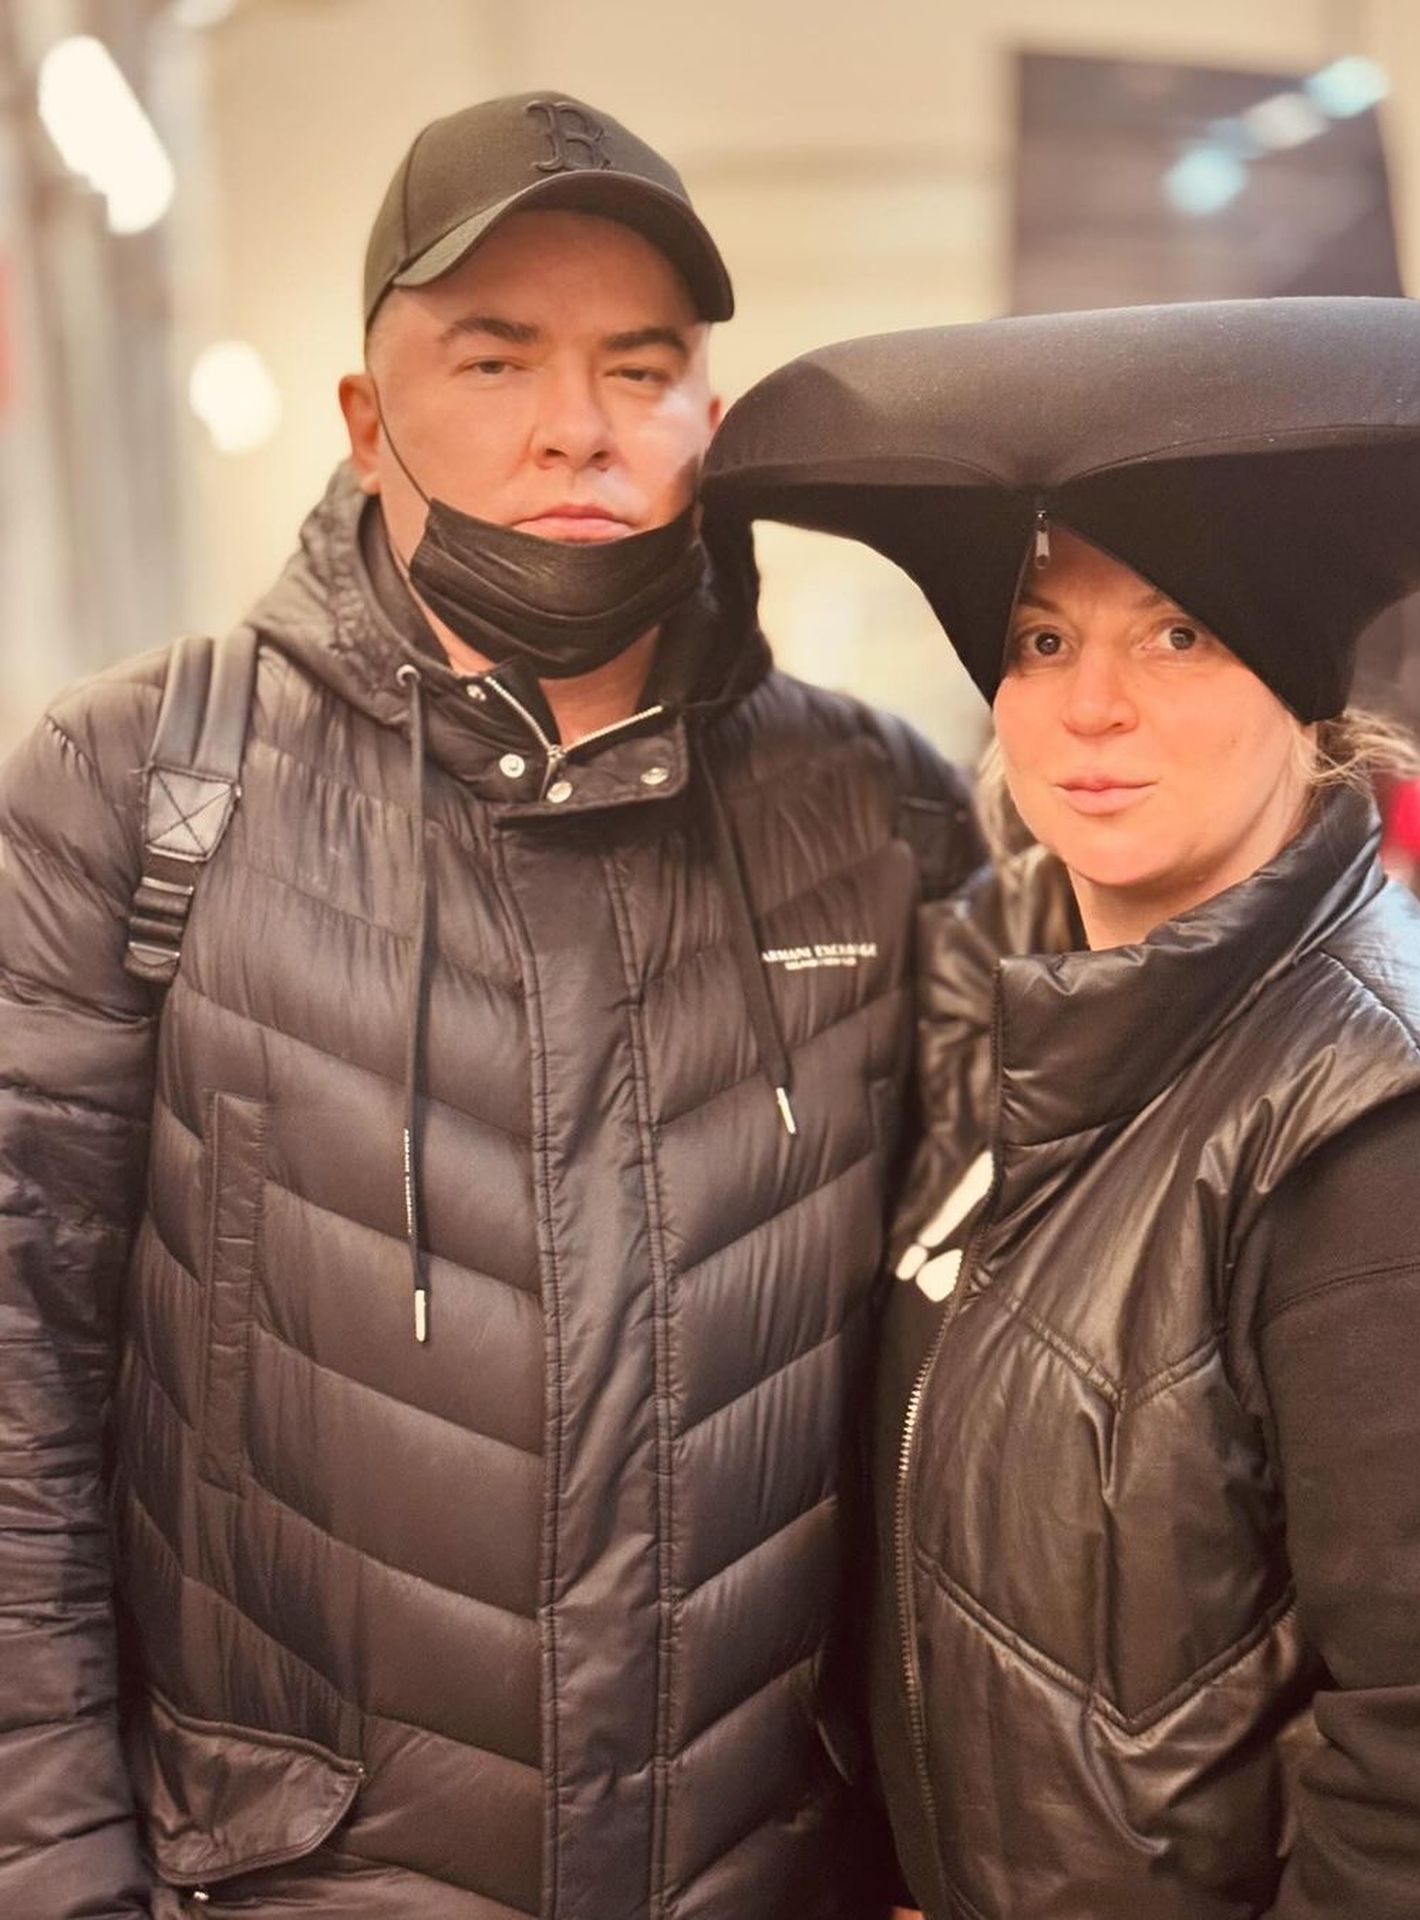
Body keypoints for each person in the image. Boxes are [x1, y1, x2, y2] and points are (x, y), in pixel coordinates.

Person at [0, 93, 975, 1919]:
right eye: (496, 357)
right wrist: (55, 1878)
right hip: (297, 1878)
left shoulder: (880, 814)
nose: (577, 425)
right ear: (368, 420)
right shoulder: (139, 785)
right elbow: (17, 1388)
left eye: (640, 367)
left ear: (709, 417)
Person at [702, 298, 1420, 1918]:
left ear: (1299, 683)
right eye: (1041, 640)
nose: (1090, 705)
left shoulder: (1392, 1132)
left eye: (1178, 634)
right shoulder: (1013, 1014)